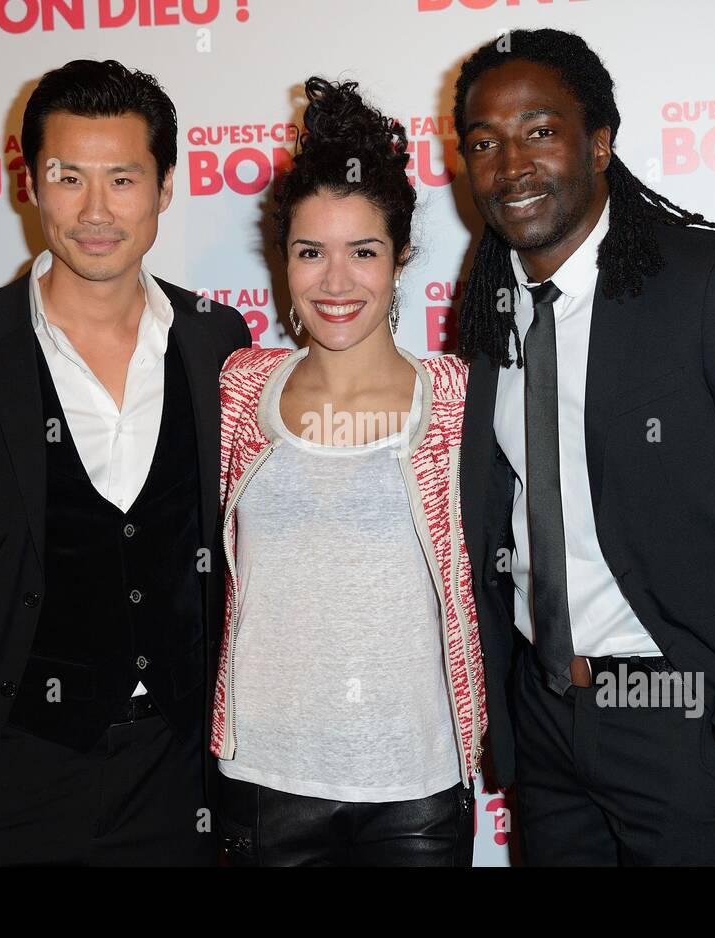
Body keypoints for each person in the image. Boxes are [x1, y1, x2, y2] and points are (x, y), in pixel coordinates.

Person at [452, 29, 715, 865]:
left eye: (539, 130)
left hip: (684, 723)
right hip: (544, 724)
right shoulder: (486, 308)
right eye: (483, 141)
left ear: (600, 141)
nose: (509, 164)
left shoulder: (712, 280)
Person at [0, 59, 249, 865]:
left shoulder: (218, 341)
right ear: (32, 184)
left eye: (124, 178)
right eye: (69, 177)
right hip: (8, 774)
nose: (97, 210)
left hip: (180, 777)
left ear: (165, 186)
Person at [210, 77, 485, 866]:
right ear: (283, 262)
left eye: (362, 251)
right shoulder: (241, 387)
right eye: (310, 252)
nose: (335, 282)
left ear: (400, 259)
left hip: (416, 788)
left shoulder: (458, 399)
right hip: (262, 781)